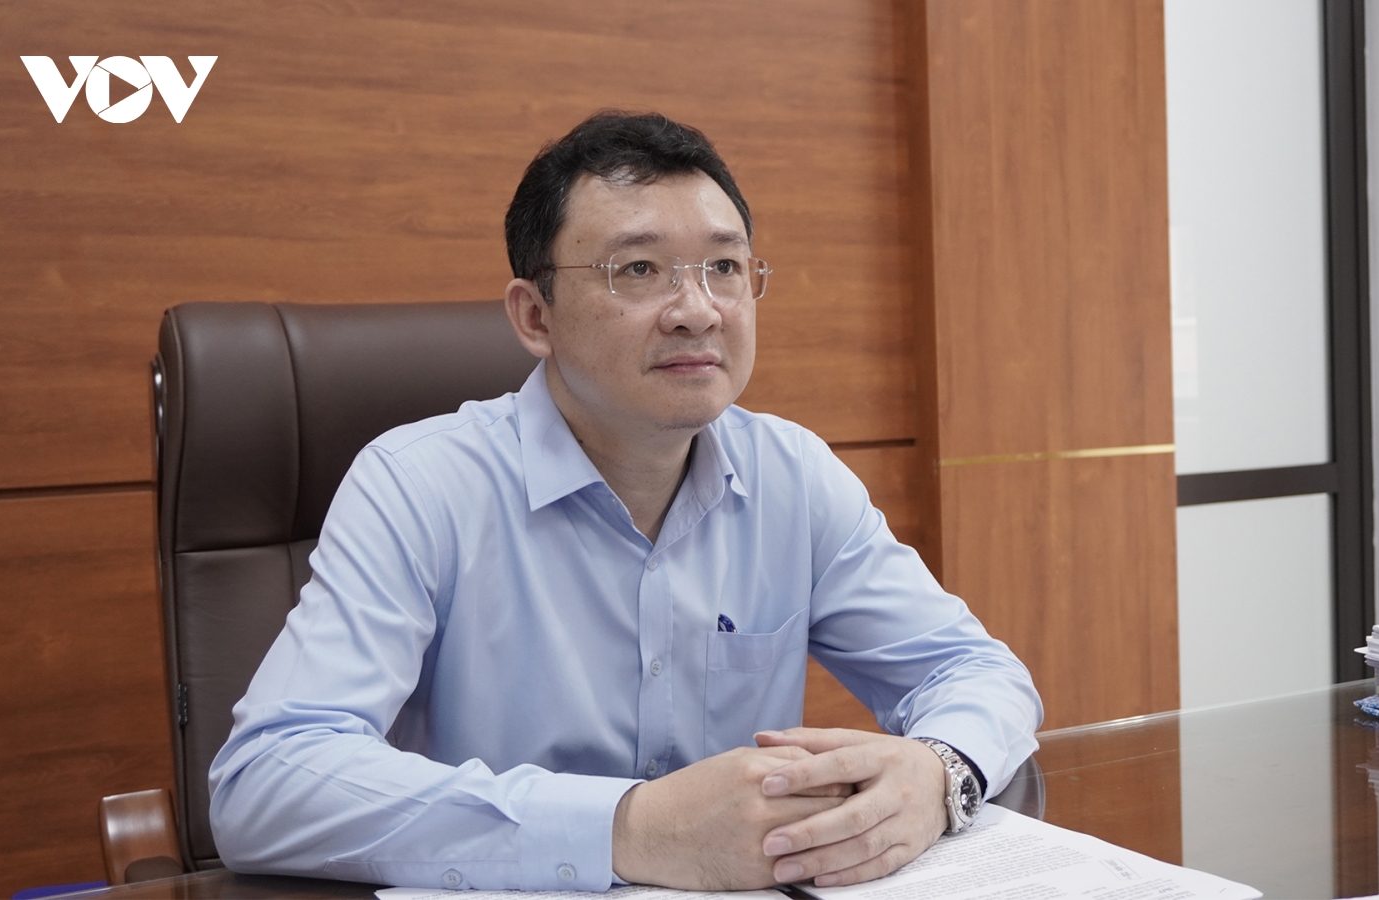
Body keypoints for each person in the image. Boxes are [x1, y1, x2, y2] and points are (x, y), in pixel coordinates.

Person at [208, 111, 1041, 893]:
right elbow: (265, 783)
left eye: (724, 267)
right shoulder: (419, 486)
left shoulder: (792, 475)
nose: (698, 311)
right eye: (639, 270)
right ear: (535, 316)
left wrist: (939, 770)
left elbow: (973, 671)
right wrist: (631, 828)